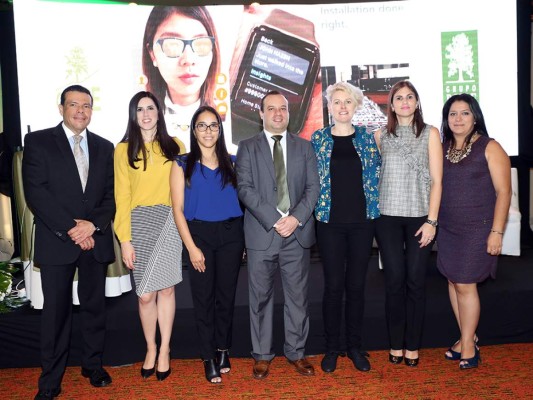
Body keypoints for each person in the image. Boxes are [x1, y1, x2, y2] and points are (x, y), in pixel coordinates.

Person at [22, 85, 115, 400]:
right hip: (57, 240)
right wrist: (71, 229)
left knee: (94, 309)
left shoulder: (105, 147)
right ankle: (50, 380)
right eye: (74, 104)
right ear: (60, 107)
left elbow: (110, 197)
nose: (81, 111)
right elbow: (36, 191)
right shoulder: (37, 142)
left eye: (86, 105)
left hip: (95, 240)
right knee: (56, 315)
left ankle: (93, 366)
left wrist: (91, 226)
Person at [236, 90, 320, 379]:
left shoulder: (305, 147)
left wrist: (295, 219)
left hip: (297, 234)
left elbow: (313, 188)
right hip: (262, 233)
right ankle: (261, 355)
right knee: (260, 298)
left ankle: (296, 352)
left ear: (288, 112)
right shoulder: (246, 147)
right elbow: (245, 188)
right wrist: (275, 220)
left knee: (297, 298)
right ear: (260, 114)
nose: (277, 114)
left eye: (282, 108)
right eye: (271, 109)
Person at [170, 106, 244, 384]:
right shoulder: (181, 164)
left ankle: (223, 349)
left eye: (213, 125)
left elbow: (243, 203)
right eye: (202, 126)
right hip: (198, 236)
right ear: (193, 130)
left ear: (220, 130)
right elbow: (177, 209)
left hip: (232, 235)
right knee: (203, 301)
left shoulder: (234, 162)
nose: (208, 131)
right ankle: (207, 357)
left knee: (226, 297)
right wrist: (191, 247)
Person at [310, 82, 381, 373]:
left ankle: (354, 346)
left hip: (363, 223)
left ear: (355, 106)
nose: (342, 107)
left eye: (347, 102)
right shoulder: (318, 139)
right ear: (329, 107)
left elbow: (380, 173)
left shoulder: (369, 138)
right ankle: (332, 348)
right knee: (333, 287)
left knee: (356, 287)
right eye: (337, 102)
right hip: (329, 223)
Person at [114, 91, 184, 382]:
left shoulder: (175, 145)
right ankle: (150, 348)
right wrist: (125, 239)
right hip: (138, 222)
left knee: (166, 290)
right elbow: (122, 196)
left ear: (159, 112)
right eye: (140, 109)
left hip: (170, 220)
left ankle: (165, 349)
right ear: (134, 115)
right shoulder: (123, 150)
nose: (145, 114)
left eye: (150, 108)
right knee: (145, 295)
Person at [438, 94, 511, 369]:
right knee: (453, 282)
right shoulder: (442, 147)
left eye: (464, 113)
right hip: (448, 228)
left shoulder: (490, 147)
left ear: (475, 116)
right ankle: (468, 336)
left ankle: (468, 345)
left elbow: (504, 192)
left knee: (466, 284)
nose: (458, 119)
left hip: (478, 230)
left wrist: (497, 232)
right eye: (452, 114)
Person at [374, 80, 443, 367]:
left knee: (415, 282)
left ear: (417, 102)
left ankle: (412, 345)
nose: (404, 102)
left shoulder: (430, 133)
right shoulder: (380, 135)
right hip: (387, 218)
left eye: (409, 97)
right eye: (398, 97)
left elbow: (438, 181)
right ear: (390, 105)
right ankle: (395, 344)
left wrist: (432, 221)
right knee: (393, 283)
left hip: (419, 219)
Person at [142, 6, 220, 151]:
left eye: (201, 43)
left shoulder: (229, 124)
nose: (188, 59)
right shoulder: (138, 123)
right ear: (152, 53)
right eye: (172, 45)